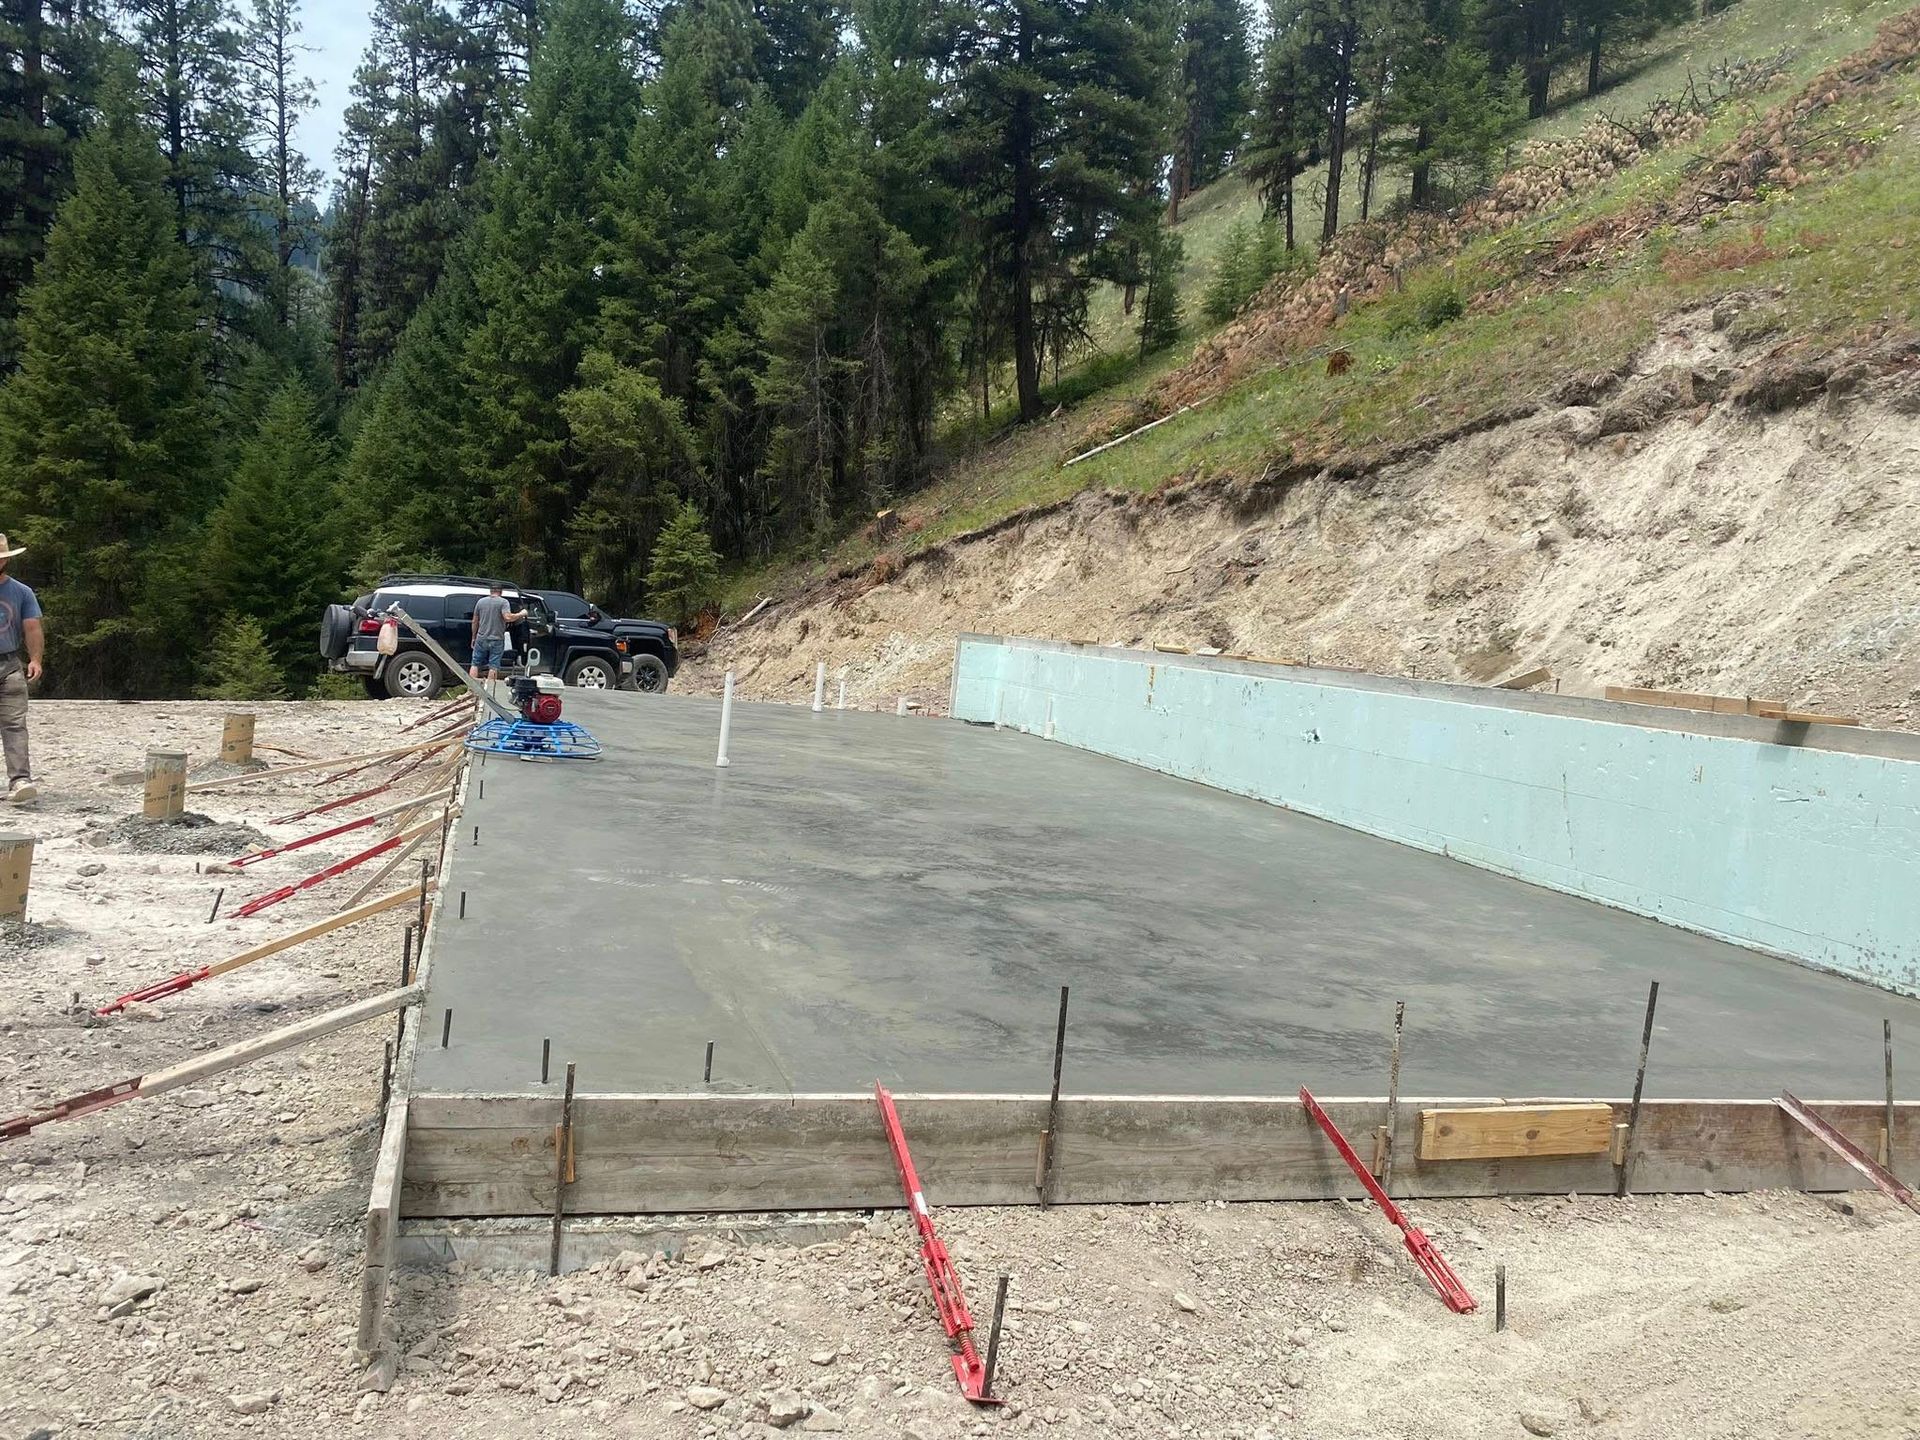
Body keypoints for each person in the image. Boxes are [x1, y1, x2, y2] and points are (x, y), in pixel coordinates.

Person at [0, 533, 43, 804]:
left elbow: (32, 627)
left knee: (15, 724)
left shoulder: (21, 592)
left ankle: (20, 780)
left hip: (9, 663)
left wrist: (35, 659)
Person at [469, 583, 526, 682]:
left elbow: (474, 621)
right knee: (493, 666)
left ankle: (471, 689)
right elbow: (508, 617)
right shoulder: (503, 602)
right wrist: (521, 614)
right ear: (501, 591)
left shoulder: (480, 602)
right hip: (497, 639)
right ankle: (489, 692)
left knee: (475, 664)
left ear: (491, 591)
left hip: (481, 638)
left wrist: (473, 637)